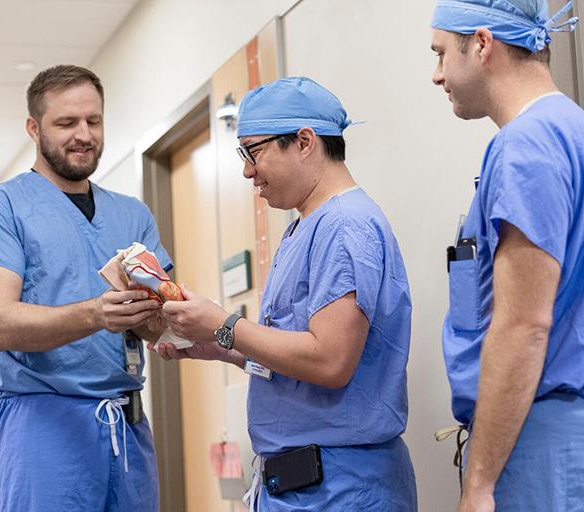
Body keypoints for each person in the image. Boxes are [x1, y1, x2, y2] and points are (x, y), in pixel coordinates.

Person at [430, 1, 584, 510]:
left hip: (553, 455)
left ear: (482, 44)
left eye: (442, 53)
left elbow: (524, 323)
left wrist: (480, 483)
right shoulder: (582, 139)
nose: (437, 74)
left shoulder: (526, 146)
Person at [156, 77, 417, 511]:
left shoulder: (344, 225)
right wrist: (221, 345)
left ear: (304, 141)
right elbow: (297, 355)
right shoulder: (305, 226)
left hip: (341, 487)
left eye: (252, 152)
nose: (246, 171)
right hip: (304, 484)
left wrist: (226, 325)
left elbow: (330, 360)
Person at [0, 65, 169, 511]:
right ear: (34, 128)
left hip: (127, 427)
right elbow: (0, 324)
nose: (84, 134)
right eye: (66, 123)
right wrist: (97, 314)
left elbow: (158, 324)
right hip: (42, 426)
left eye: (94, 121)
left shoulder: (133, 215)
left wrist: (176, 322)